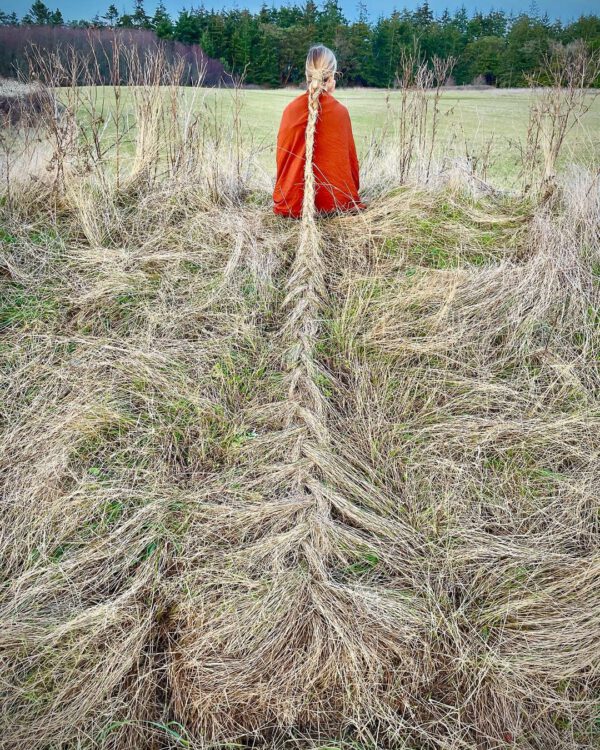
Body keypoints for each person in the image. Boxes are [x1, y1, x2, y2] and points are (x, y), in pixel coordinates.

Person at [273, 44, 366, 219]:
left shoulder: (290, 111)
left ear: (307, 76)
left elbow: (282, 163)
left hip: (291, 205)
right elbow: (352, 169)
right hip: (336, 204)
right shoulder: (340, 113)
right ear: (331, 77)